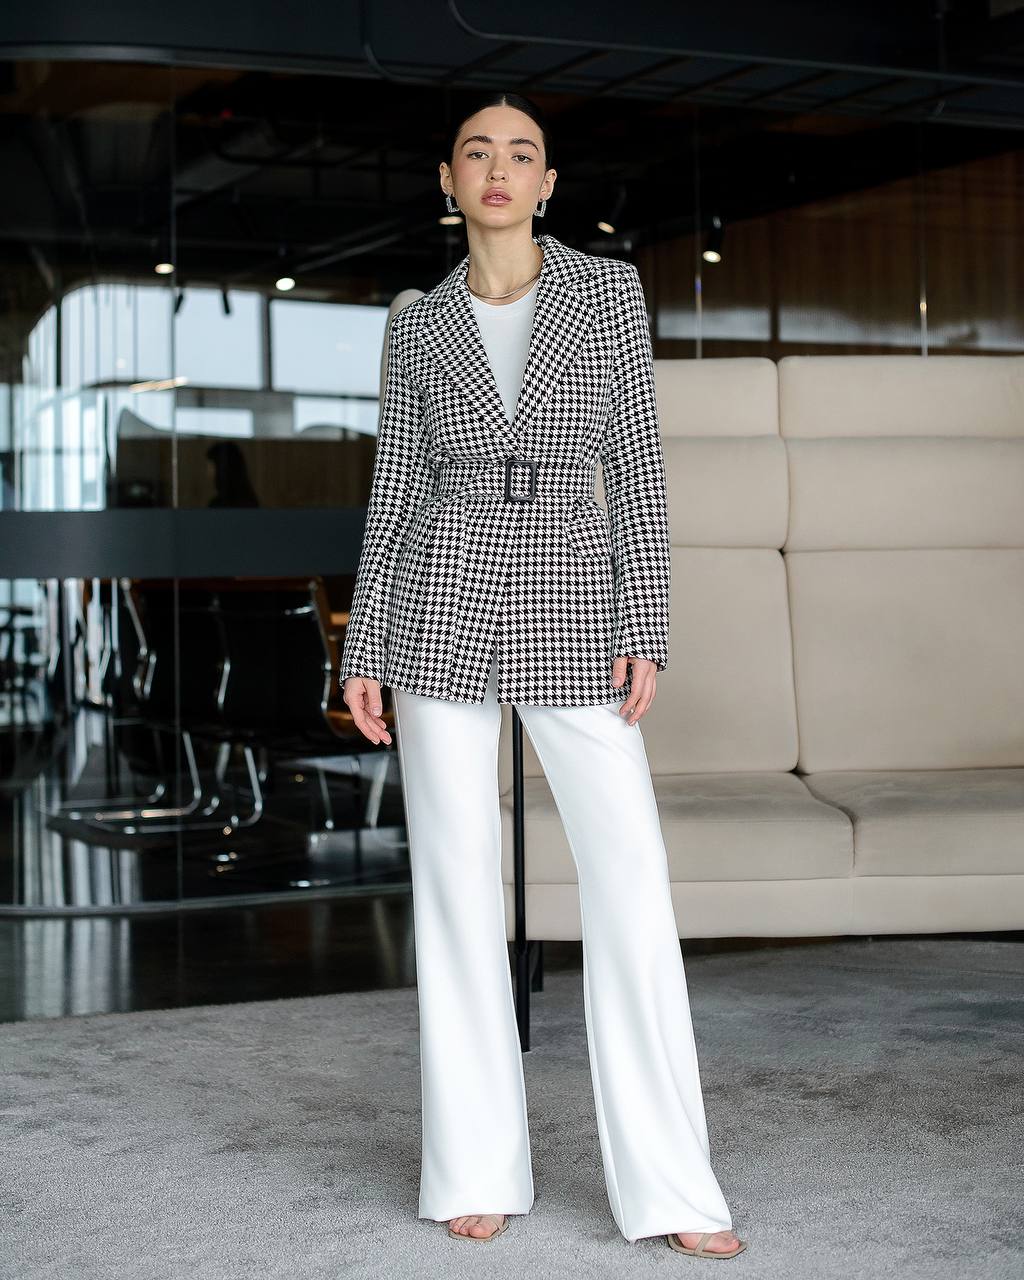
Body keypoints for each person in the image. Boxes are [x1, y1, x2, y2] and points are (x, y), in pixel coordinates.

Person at [340, 90, 747, 1259]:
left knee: (629, 884)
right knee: (455, 893)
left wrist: (645, 622)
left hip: (574, 588)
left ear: (549, 183)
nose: (500, 169)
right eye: (479, 153)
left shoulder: (607, 296)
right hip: (440, 591)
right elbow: (395, 489)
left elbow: (641, 473)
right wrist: (364, 643)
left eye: (522, 153)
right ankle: (474, 1165)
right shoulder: (413, 322)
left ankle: (671, 1186)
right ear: (449, 179)